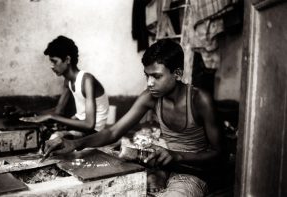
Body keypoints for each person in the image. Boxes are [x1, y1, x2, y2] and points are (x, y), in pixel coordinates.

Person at [43, 39, 222, 197]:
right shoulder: (151, 96)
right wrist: (74, 144)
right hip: (167, 166)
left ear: (177, 73)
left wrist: (178, 156)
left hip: (193, 172)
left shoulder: (200, 100)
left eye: (156, 76)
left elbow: (219, 154)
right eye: (147, 75)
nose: (149, 82)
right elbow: (113, 131)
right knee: (112, 169)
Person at [21, 35, 109, 139]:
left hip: (94, 132)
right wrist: (28, 114)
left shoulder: (87, 80)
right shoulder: (68, 81)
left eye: (54, 61)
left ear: (67, 59)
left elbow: (89, 124)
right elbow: (59, 111)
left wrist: (51, 117)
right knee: (44, 132)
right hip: (80, 126)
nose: (52, 66)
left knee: (55, 138)